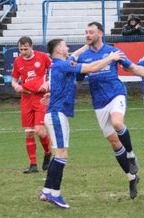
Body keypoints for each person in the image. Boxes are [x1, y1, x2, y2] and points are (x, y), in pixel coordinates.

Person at [77, 22, 144, 200]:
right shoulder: (83, 56)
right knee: (114, 143)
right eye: (86, 32)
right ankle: (131, 177)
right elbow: (77, 82)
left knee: (118, 123)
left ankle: (132, 156)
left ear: (100, 34)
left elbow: (134, 68)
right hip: (99, 102)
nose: (87, 35)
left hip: (116, 94)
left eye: (91, 32)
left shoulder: (113, 52)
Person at [39, 38, 126, 209]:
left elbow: (75, 56)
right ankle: (54, 194)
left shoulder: (60, 63)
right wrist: (111, 57)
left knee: (59, 154)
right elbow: (92, 67)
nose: (68, 47)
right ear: (58, 50)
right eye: (64, 45)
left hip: (57, 113)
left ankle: (46, 190)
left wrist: (88, 44)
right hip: (57, 115)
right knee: (61, 155)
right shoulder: (62, 65)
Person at [11, 36, 52, 174]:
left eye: (26, 49)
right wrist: (16, 86)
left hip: (41, 98)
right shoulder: (18, 62)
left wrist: (48, 83)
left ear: (32, 46)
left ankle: (47, 152)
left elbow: (55, 70)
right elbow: (14, 80)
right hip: (26, 98)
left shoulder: (42, 57)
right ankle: (33, 164)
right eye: (21, 49)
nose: (23, 51)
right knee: (29, 133)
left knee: (39, 131)